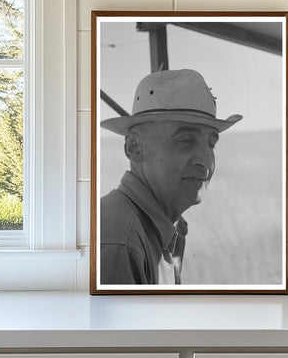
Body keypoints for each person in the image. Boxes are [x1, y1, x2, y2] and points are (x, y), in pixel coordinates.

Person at [100, 69, 242, 284]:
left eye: (211, 143)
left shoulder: (161, 226)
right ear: (134, 148)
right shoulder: (120, 240)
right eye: (185, 141)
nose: (206, 161)